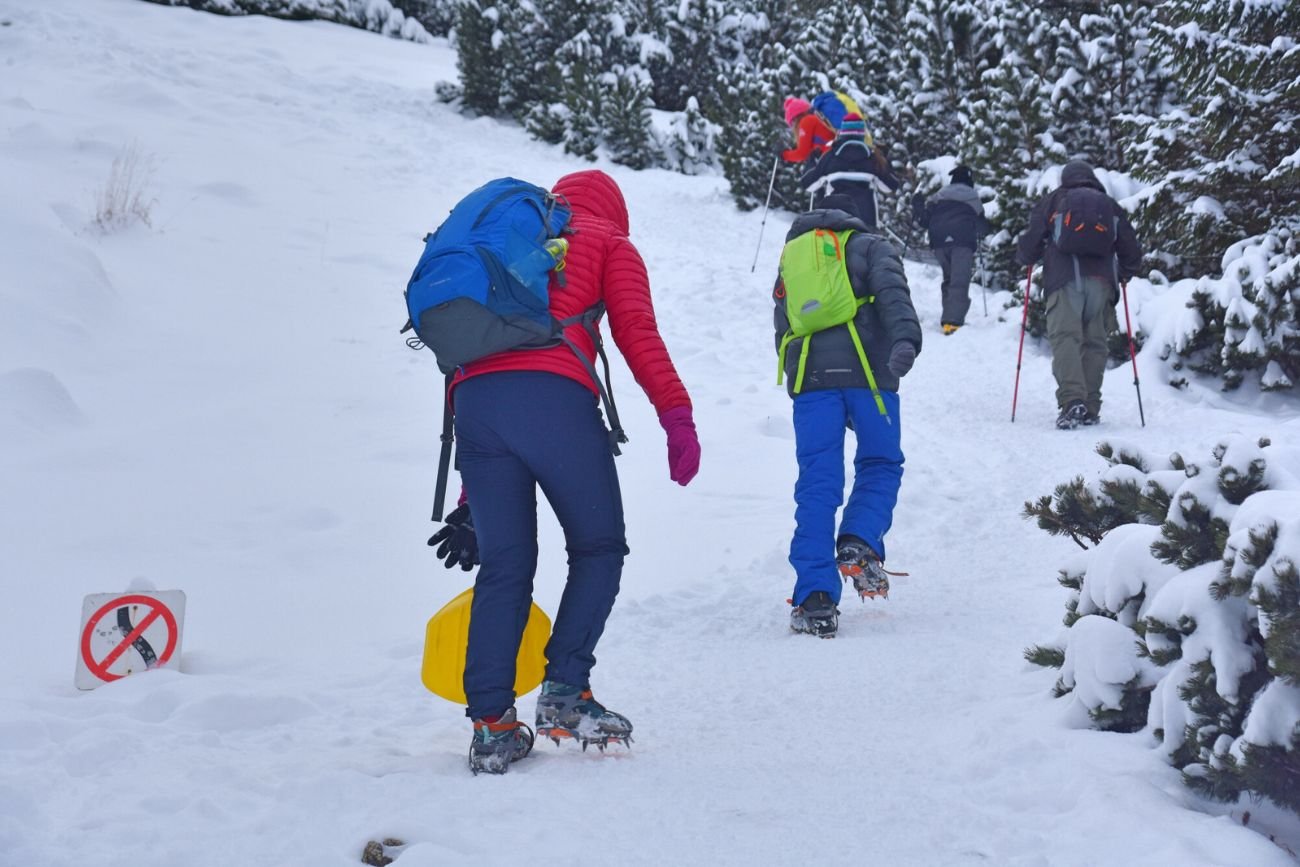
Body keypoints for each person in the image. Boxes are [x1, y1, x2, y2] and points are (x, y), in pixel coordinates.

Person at [429, 169, 701, 774]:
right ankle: (565, 693)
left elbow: (484, 352)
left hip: (475, 406)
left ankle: (492, 727)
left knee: (506, 565)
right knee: (599, 546)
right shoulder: (608, 240)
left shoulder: (511, 239)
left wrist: (473, 495)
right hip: (552, 398)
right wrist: (677, 417)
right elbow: (637, 333)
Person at [772, 194, 922, 638]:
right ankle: (859, 540)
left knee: (817, 484)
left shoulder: (792, 256)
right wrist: (906, 341)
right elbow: (894, 297)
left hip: (811, 380)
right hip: (870, 376)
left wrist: (801, 382)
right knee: (881, 462)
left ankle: (815, 599)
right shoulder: (872, 245)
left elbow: (783, 325)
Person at [1015, 160, 1142, 429]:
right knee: (1095, 343)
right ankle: (1091, 407)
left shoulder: (1055, 200)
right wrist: (1125, 273)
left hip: (1064, 281)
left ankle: (1073, 401)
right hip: (1102, 284)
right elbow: (1130, 247)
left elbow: (1033, 239)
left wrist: (1026, 257)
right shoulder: (1108, 205)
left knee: (1066, 339)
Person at [911, 165, 991, 335]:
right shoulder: (973, 197)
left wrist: (917, 204)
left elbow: (924, 220)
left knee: (949, 278)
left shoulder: (938, 196)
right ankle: (952, 322)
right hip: (962, 241)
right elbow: (982, 227)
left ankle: (949, 317)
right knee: (959, 280)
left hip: (939, 241)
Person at [797, 114, 900, 228]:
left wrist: (811, 161)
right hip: (866, 222)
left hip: (835, 222)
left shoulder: (830, 157)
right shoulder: (873, 158)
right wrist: (886, 160)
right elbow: (890, 186)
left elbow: (809, 185)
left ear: (842, 133)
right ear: (862, 134)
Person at [780, 96, 835, 165]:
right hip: (833, 156)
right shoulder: (816, 119)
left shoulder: (806, 121)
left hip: (828, 160)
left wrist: (784, 155)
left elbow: (802, 154)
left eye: (792, 124)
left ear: (794, 119)